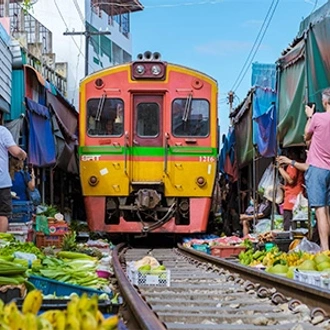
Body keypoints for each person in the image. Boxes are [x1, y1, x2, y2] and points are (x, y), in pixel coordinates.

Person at [304, 88, 330, 251]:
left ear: (325, 101)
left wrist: (310, 116)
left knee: (321, 211)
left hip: (318, 169)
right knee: (328, 210)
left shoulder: (318, 118)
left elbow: (306, 136)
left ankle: (325, 249)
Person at [0, 126, 27, 232]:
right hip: (1, 182)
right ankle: (1, 245)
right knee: (2, 214)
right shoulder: (2, 131)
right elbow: (15, 152)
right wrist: (22, 154)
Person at [276, 148, 305, 231]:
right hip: (297, 196)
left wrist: (280, 168)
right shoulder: (300, 163)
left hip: (291, 199)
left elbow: (290, 180)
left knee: (288, 226)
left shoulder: (292, 165)